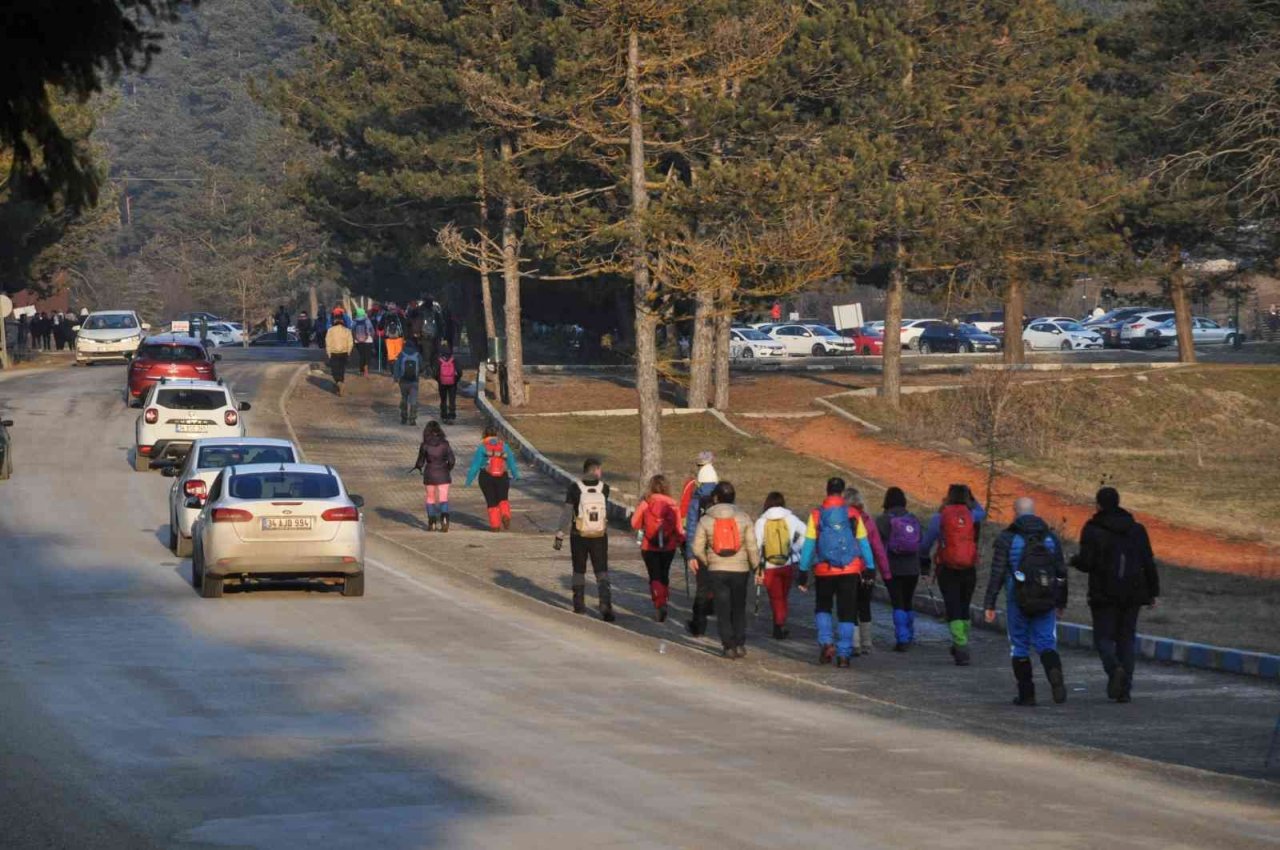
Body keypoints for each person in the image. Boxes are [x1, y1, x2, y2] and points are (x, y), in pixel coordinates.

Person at [1072, 487, 1159, 703]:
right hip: (1133, 593)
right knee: (1126, 640)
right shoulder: (1137, 529)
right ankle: (1125, 690)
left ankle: (1114, 669)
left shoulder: (1093, 529)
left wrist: (1073, 561)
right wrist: (1153, 592)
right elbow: (1148, 562)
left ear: (1098, 505)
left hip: (1103, 593)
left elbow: (1087, 562)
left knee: (1103, 638)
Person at [983, 497, 1069, 706]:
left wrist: (990, 604)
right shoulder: (1050, 537)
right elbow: (1060, 572)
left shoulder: (1007, 538)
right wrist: (1061, 602)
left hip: (1017, 598)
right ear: (1034, 511)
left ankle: (1027, 694)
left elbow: (997, 573)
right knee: (1047, 642)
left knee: (1019, 645)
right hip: (1046, 598)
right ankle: (1054, 673)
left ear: (1015, 512)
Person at [797, 477, 877, 668]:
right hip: (850, 569)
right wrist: (871, 567)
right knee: (847, 611)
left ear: (827, 491)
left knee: (823, 607)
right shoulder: (852, 514)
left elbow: (809, 544)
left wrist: (803, 569)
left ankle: (826, 642)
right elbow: (864, 543)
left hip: (824, 570)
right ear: (842, 492)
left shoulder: (816, 515)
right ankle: (843, 654)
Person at [920, 483, 987, 666]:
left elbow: (926, 544)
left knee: (953, 606)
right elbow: (983, 511)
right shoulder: (973, 515)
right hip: (969, 568)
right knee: (964, 606)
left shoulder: (940, 517)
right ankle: (962, 642)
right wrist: (972, 499)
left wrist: (924, 560)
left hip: (947, 568)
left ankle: (961, 645)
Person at [691, 481, 760, 658]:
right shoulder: (743, 518)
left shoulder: (707, 519)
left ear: (715, 497)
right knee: (738, 607)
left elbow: (697, 548)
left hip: (717, 570)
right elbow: (752, 546)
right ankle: (739, 642)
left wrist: (708, 562)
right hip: (740, 569)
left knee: (722, 608)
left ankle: (727, 645)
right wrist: (756, 566)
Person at [554, 458, 614, 621]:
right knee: (601, 570)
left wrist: (560, 533)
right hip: (599, 536)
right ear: (595, 471)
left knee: (579, 569)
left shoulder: (574, 488)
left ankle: (579, 605)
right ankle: (605, 604)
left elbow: (567, 513)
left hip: (578, 535)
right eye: (600, 470)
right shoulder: (605, 489)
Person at [875, 487, 924, 651]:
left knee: (898, 603)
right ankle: (910, 634)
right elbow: (920, 541)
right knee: (908, 601)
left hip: (893, 568)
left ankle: (902, 638)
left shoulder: (882, 520)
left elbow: (877, 545)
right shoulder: (913, 518)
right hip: (913, 568)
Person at [630, 474, 684, 622]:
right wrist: (681, 541)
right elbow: (679, 528)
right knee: (664, 574)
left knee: (654, 576)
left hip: (649, 546)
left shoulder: (646, 503)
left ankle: (659, 603)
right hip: (669, 546)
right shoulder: (673, 505)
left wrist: (645, 525)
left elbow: (634, 523)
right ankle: (664, 600)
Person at [844, 488, 891, 656]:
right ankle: (867, 642)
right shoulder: (868, 520)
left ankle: (854, 642)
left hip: (848, 569)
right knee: (864, 605)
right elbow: (878, 548)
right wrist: (885, 573)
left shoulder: (841, 519)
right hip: (866, 570)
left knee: (850, 606)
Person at [753, 491, 806, 640]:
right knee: (783, 596)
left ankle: (779, 625)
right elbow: (807, 533)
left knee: (775, 597)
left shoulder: (761, 522)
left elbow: (756, 545)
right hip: (787, 563)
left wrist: (757, 567)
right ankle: (781, 623)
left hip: (769, 566)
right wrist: (794, 549)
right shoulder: (791, 518)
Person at [680, 451, 719, 636]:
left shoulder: (696, 497)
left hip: (702, 550)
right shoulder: (722, 495)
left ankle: (699, 624)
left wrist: (690, 554)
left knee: (702, 588)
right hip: (722, 550)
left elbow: (692, 527)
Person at [465, 425, 519, 531]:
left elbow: (475, 465)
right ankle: (505, 514)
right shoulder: (504, 446)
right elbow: (511, 462)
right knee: (503, 498)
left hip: (486, 477)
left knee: (491, 501)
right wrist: (516, 474)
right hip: (502, 476)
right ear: (496, 435)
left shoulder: (482, 447)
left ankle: (495, 526)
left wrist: (469, 480)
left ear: (484, 435)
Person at [413, 420, 456, 532]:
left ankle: (432, 523)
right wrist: (447, 469)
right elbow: (452, 460)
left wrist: (417, 466)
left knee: (430, 498)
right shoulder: (445, 444)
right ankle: (445, 520)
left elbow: (420, 462)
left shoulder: (425, 445)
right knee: (443, 498)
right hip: (443, 474)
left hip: (430, 474)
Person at [324, 307, 354, 396]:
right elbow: (350, 342)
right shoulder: (347, 330)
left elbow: (328, 342)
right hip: (344, 352)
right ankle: (340, 384)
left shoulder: (330, 330)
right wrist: (349, 352)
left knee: (334, 371)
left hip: (334, 353)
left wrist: (328, 353)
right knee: (341, 370)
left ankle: (339, 383)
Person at [392, 341, 424, 425]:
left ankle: (404, 418)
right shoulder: (417, 354)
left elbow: (396, 366)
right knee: (413, 400)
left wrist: (396, 378)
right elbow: (421, 367)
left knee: (404, 398)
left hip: (403, 381)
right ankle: (412, 419)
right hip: (414, 381)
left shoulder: (401, 354)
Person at [435, 341, 461, 423]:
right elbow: (460, 372)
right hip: (452, 383)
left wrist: (439, 380)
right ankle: (452, 415)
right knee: (452, 399)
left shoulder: (439, 360)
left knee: (443, 399)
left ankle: (444, 415)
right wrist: (456, 379)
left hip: (442, 383)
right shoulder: (454, 360)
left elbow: (434, 373)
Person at [351, 307, 376, 376]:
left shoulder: (354, 321)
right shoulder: (367, 320)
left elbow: (352, 330)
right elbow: (372, 330)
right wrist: (372, 338)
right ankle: (366, 367)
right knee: (368, 355)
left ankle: (361, 370)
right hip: (368, 340)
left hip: (358, 341)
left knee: (362, 355)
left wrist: (354, 339)